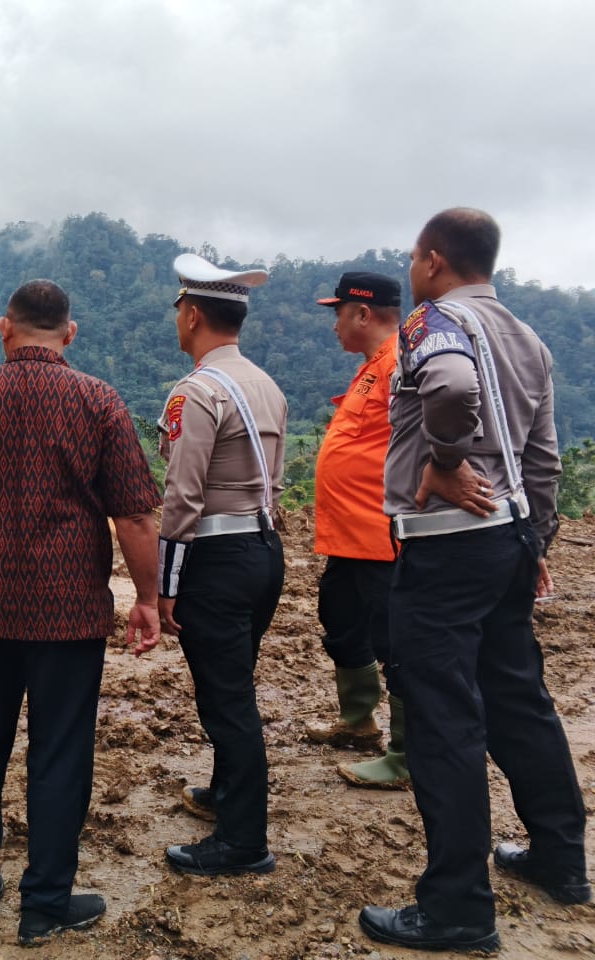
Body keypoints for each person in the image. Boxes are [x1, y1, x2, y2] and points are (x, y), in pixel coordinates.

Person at [0, 279, 162, 947]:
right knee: (60, 752)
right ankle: (44, 902)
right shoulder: (99, 402)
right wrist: (148, 599)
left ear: (3, 328)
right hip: (70, 613)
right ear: (68, 334)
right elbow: (133, 514)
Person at [359, 208, 590, 953]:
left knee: (441, 718)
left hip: (446, 551)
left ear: (432, 261)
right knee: (520, 699)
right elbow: (544, 459)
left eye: (412, 259)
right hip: (509, 544)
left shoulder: (431, 324)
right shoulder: (528, 339)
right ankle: (561, 859)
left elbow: (453, 392)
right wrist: (535, 538)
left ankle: (458, 905)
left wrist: (449, 459)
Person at [130, 253, 286, 876]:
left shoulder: (196, 391)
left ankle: (243, 842)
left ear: (191, 314)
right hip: (263, 550)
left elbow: (182, 496)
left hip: (216, 560)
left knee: (227, 702)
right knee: (234, 682)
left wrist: (164, 586)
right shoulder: (265, 384)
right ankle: (224, 794)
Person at [305, 272, 411, 789]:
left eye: (339, 312)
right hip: (349, 538)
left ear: (363, 314)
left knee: (396, 641)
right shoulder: (372, 367)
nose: (335, 324)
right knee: (342, 619)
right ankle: (358, 721)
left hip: (382, 536)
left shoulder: (401, 362)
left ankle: (407, 754)